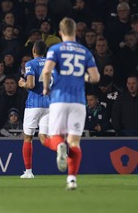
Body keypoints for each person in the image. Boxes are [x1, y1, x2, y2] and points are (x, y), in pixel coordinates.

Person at [42, 17, 100, 190]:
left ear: (60, 33)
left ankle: (60, 146)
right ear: (75, 32)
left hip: (59, 99)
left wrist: (46, 88)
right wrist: (85, 76)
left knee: (56, 136)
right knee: (74, 141)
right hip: (79, 101)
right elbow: (96, 78)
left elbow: (47, 71)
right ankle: (72, 179)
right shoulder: (84, 51)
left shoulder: (55, 49)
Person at [18, 40, 56, 179]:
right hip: (49, 104)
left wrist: (22, 83)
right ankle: (60, 148)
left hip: (34, 104)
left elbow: (31, 84)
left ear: (34, 50)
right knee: (44, 137)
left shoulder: (31, 64)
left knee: (28, 137)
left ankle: (28, 172)